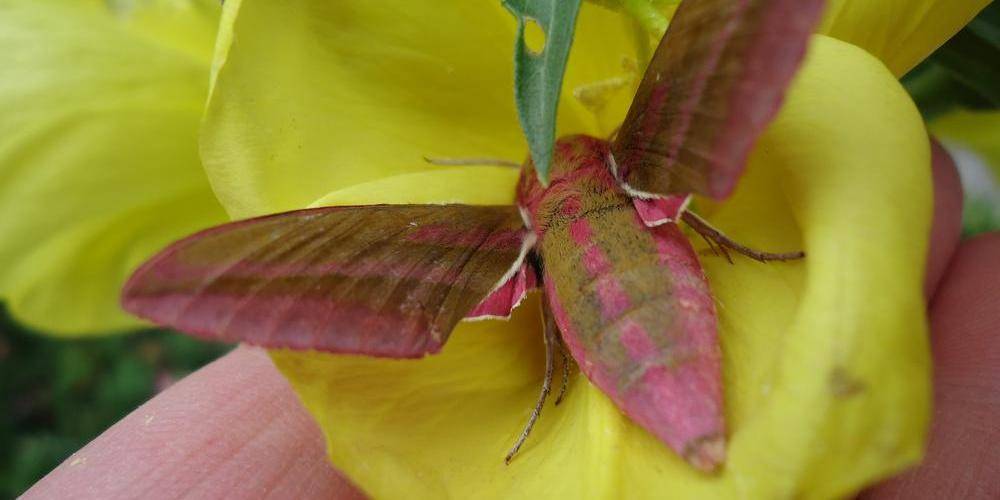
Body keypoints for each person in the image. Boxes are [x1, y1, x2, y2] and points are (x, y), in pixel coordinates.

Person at [20, 147, 999, 499]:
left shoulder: (486, 239)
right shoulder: (659, 158)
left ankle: (560, 390)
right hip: (687, 282)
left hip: (626, 338)